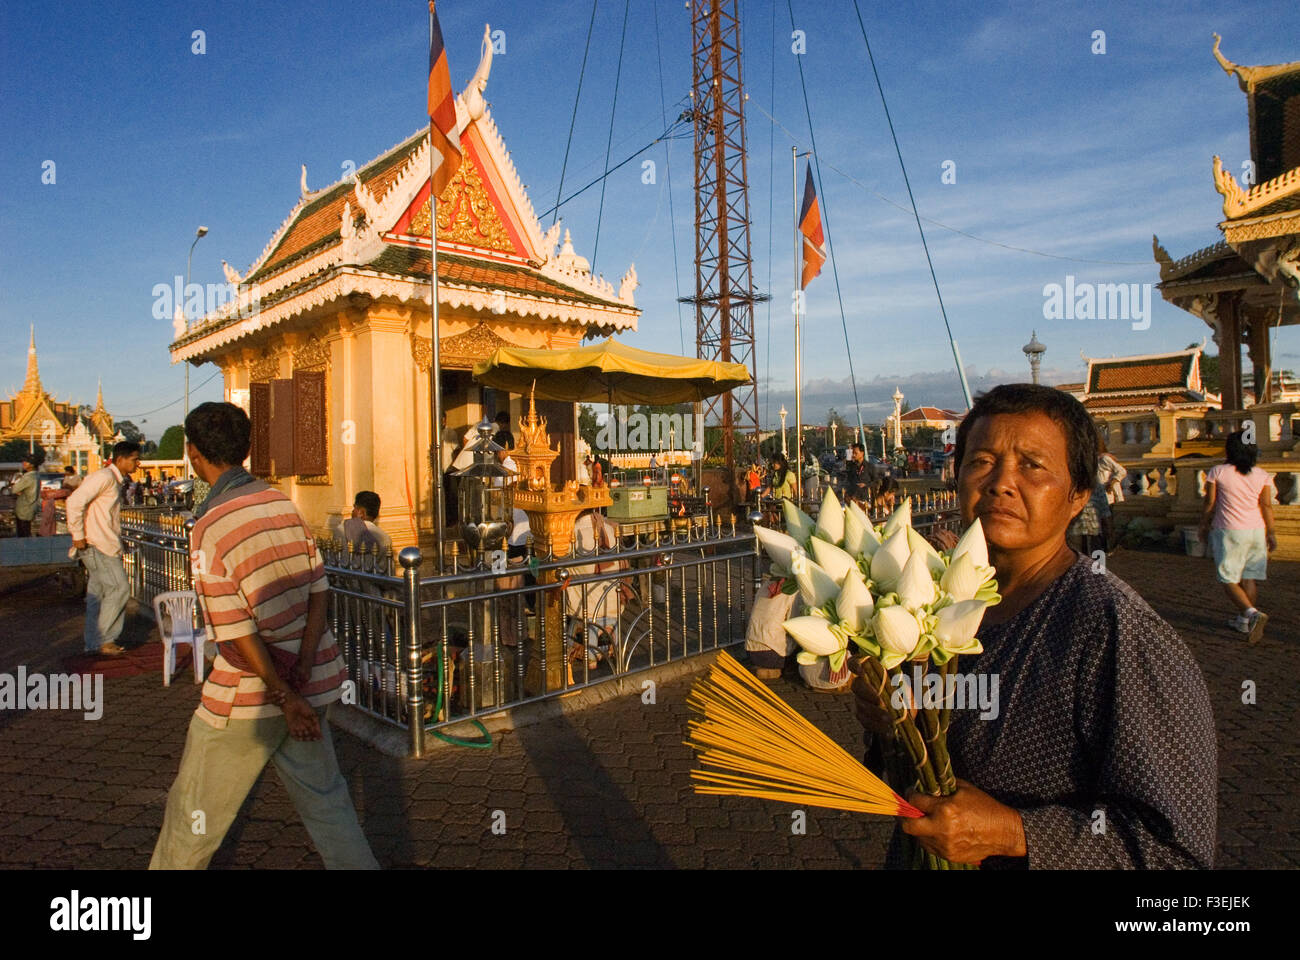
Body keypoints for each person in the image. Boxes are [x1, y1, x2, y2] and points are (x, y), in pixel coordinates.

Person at [849, 383, 1215, 868]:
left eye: (1032, 465)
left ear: (1079, 494)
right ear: (956, 477)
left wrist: (1015, 833)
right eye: (981, 461)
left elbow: (1177, 851)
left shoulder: (1115, 630)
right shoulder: (938, 605)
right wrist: (893, 725)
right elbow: (921, 769)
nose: (1001, 482)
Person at [150, 402, 377, 870]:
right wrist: (303, 673)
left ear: (192, 453)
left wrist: (283, 694)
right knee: (329, 805)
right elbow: (319, 592)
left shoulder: (210, 526)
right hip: (309, 681)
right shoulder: (282, 503)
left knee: (192, 817)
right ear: (247, 449)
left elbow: (235, 633)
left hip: (250, 697)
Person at [1198, 430, 1276, 644]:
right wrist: (1271, 532)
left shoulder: (1218, 471)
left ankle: (1251, 613)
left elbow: (1210, 503)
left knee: (1228, 577)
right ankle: (1243, 620)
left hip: (1229, 530)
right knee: (1248, 576)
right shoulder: (1262, 474)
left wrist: (1203, 524)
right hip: (1256, 529)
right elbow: (1267, 505)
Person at [65, 441, 141, 657]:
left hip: (104, 543)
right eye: (134, 459)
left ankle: (93, 643)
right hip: (97, 545)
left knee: (97, 594)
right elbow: (74, 502)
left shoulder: (113, 480)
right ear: (120, 459)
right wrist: (78, 535)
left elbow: (106, 515)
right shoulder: (105, 477)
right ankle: (104, 639)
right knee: (120, 589)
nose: (138, 463)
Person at [343, 490, 393, 561]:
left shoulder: (342, 529)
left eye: (354, 508)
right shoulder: (386, 538)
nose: (352, 511)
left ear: (361, 512)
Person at [37, 467, 79, 537]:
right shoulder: (66, 478)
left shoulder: (77, 478)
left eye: (67, 471)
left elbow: (78, 486)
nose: (66, 473)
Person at [11, 455, 41, 537]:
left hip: (24, 509)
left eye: (26, 462)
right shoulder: (36, 475)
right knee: (26, 532)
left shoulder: (28, 476)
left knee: (23, 535)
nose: (23, 463)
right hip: (30, 508)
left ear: (32, 465)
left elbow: (14, 489)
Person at [844, 444, 872, 508]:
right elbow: (849, 479)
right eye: (852, 453)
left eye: (855, 453)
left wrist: (866, 485)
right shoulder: (852, 466)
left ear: (862, 453)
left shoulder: (869, 467)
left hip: (864, 499)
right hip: (853, 498)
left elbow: (876, 481)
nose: (853, 455)